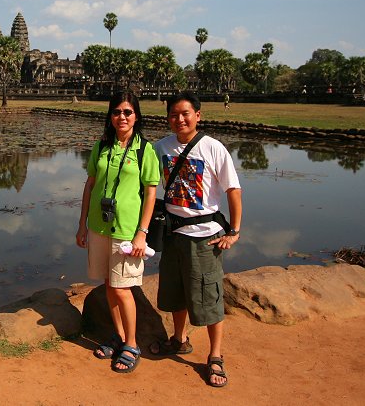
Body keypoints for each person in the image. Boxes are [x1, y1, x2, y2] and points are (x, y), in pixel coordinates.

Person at [151, 91, 242, 388]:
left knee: (210, 297)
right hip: (173, 234)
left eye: (185, 113)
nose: (179, 119)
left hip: (205, 237)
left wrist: (234, 231)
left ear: (198, 115)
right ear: (168, 118)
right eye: (174, 114)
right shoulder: (160, 148)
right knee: (176, 292)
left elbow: (232, 190)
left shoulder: (213, 148)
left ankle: (216, 355)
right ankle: (179, 338)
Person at [76, 90, 160, 374]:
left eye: (127, 112)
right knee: (109, 285)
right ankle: (120, 336)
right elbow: (90, 185)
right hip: (99, 226)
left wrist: (142, 233)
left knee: (123, 289)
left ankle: (132, 344)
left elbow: (151, 194)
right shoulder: (102, 147)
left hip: (127, 230)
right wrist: (82, 224)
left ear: (136, 116)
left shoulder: (144, 150)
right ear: (110, 116)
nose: (121, 117)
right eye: (116, 112)